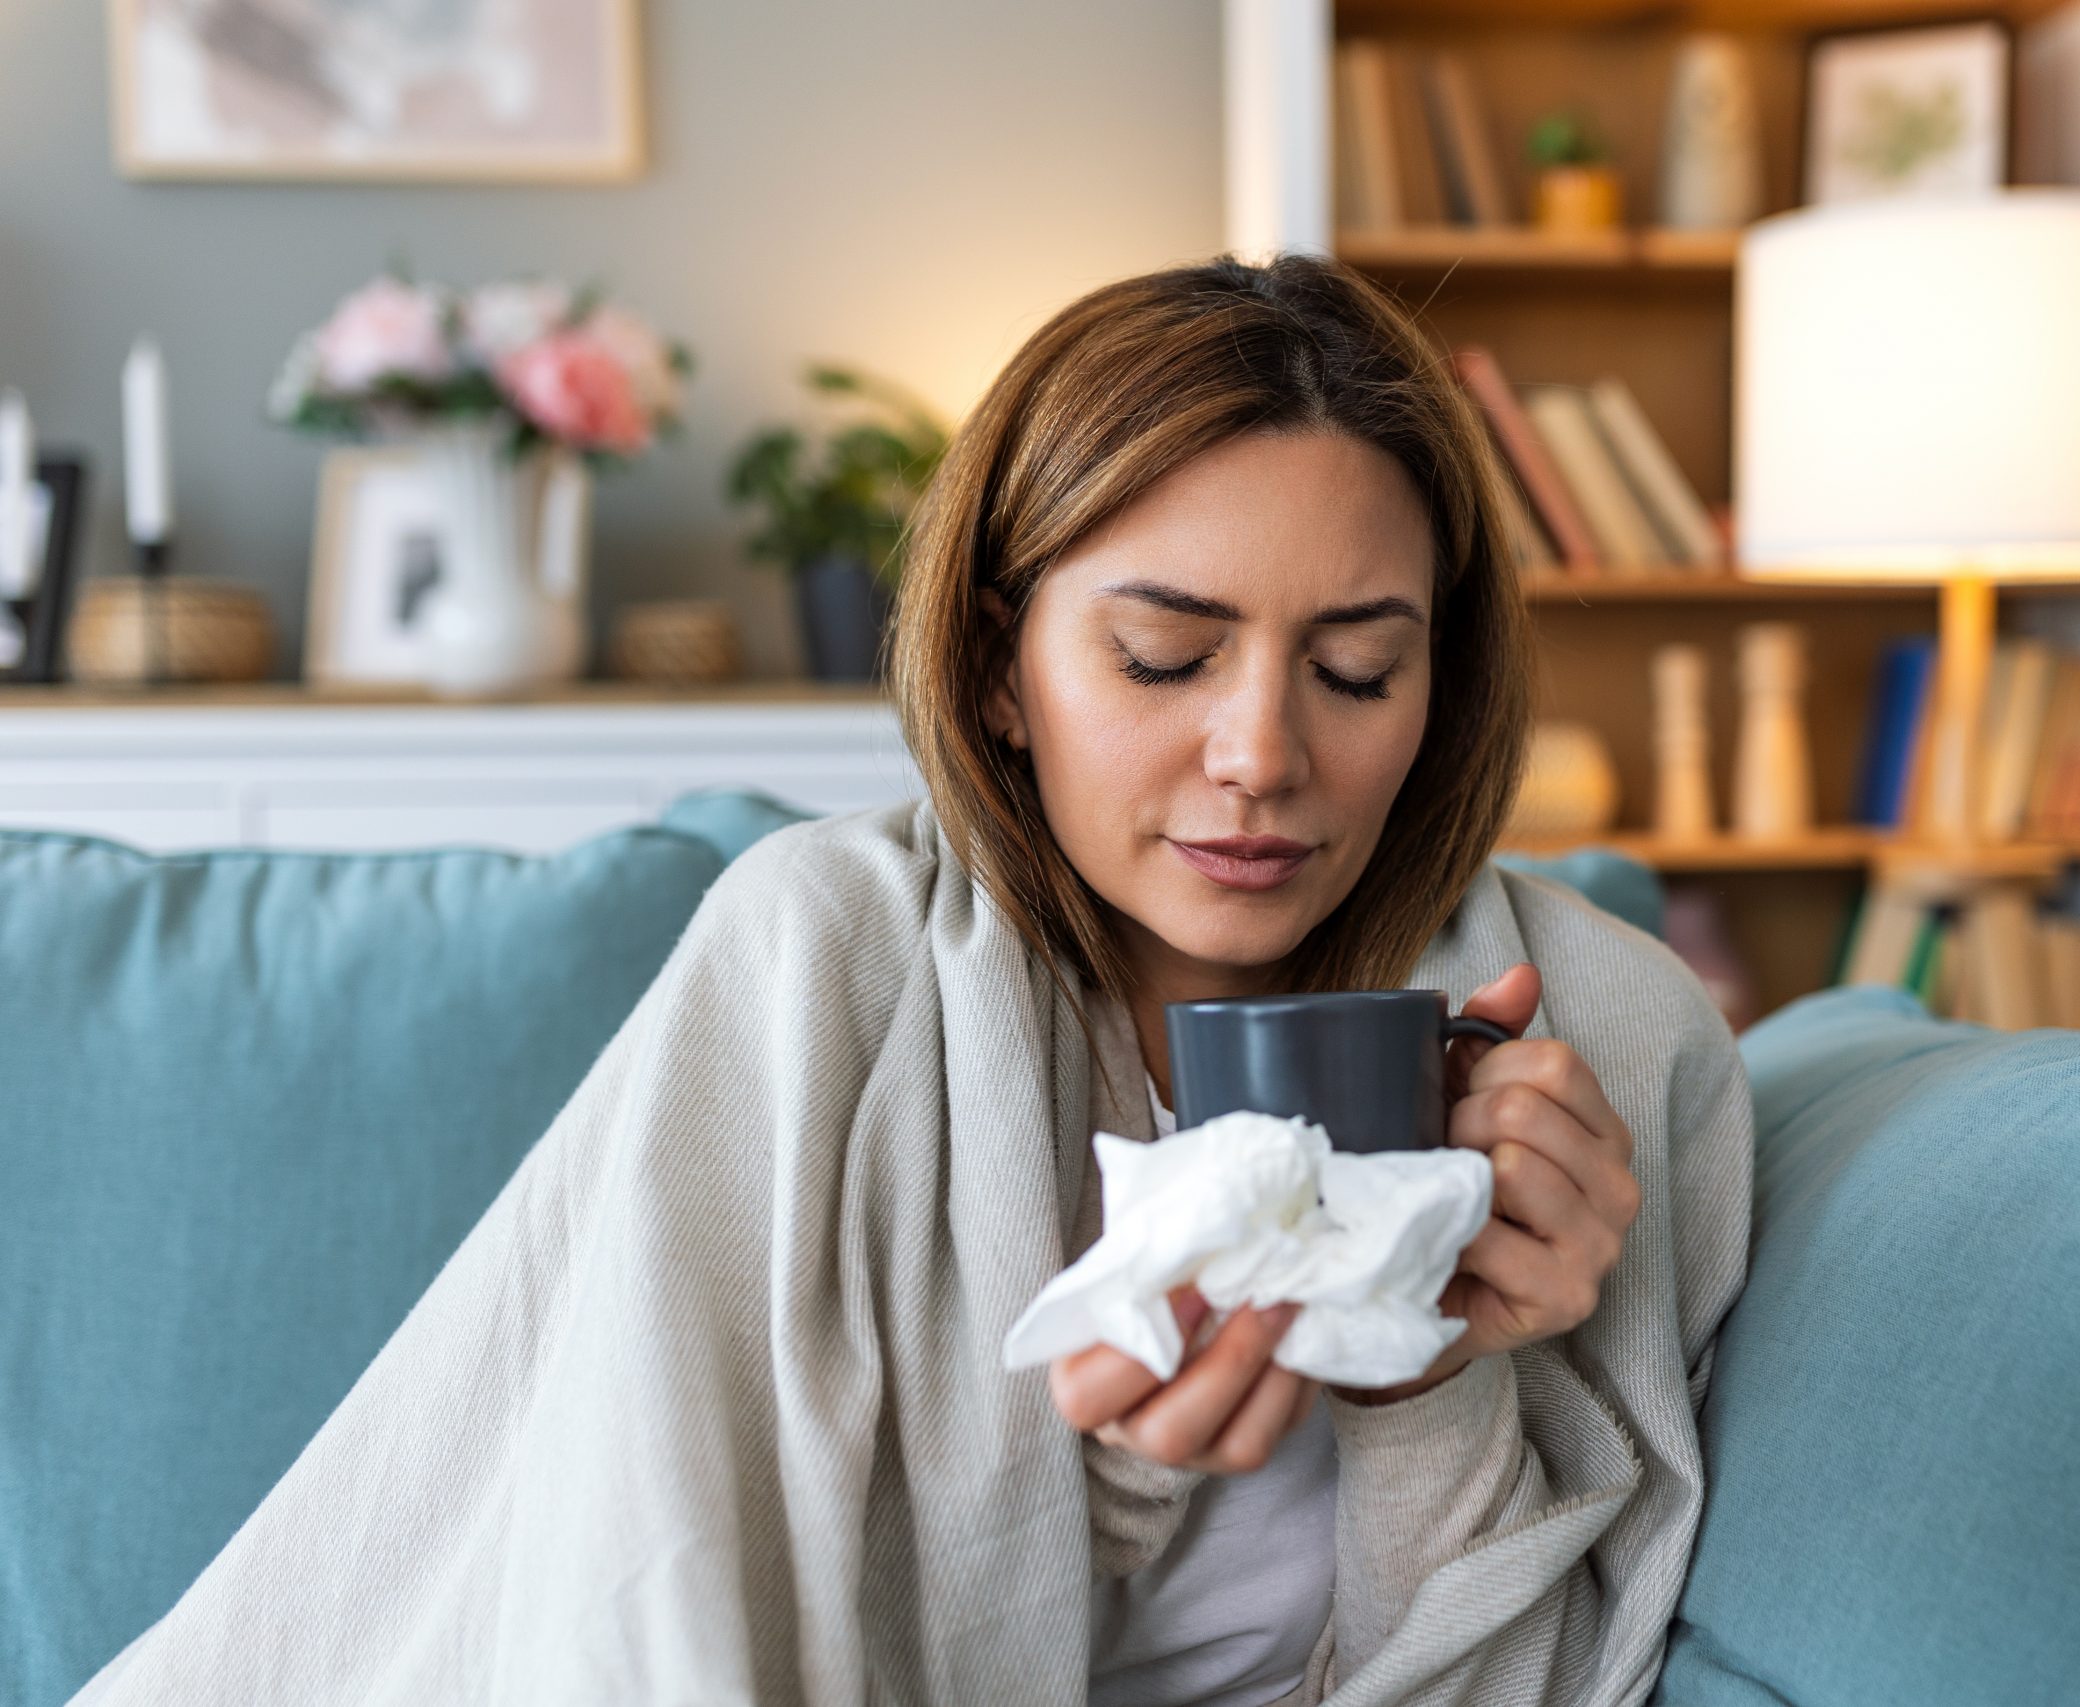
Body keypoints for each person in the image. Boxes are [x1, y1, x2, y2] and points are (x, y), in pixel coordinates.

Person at [72, 253, 1753, 1707]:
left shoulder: (1608, 1041)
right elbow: (650, 1597)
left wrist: (1432, 1377)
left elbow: (1526, 1679)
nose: (1262, 754)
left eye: (1357, 667)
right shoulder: (819, 969)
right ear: (1003, 667)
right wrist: (1109, 1475)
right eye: (1163, 654)